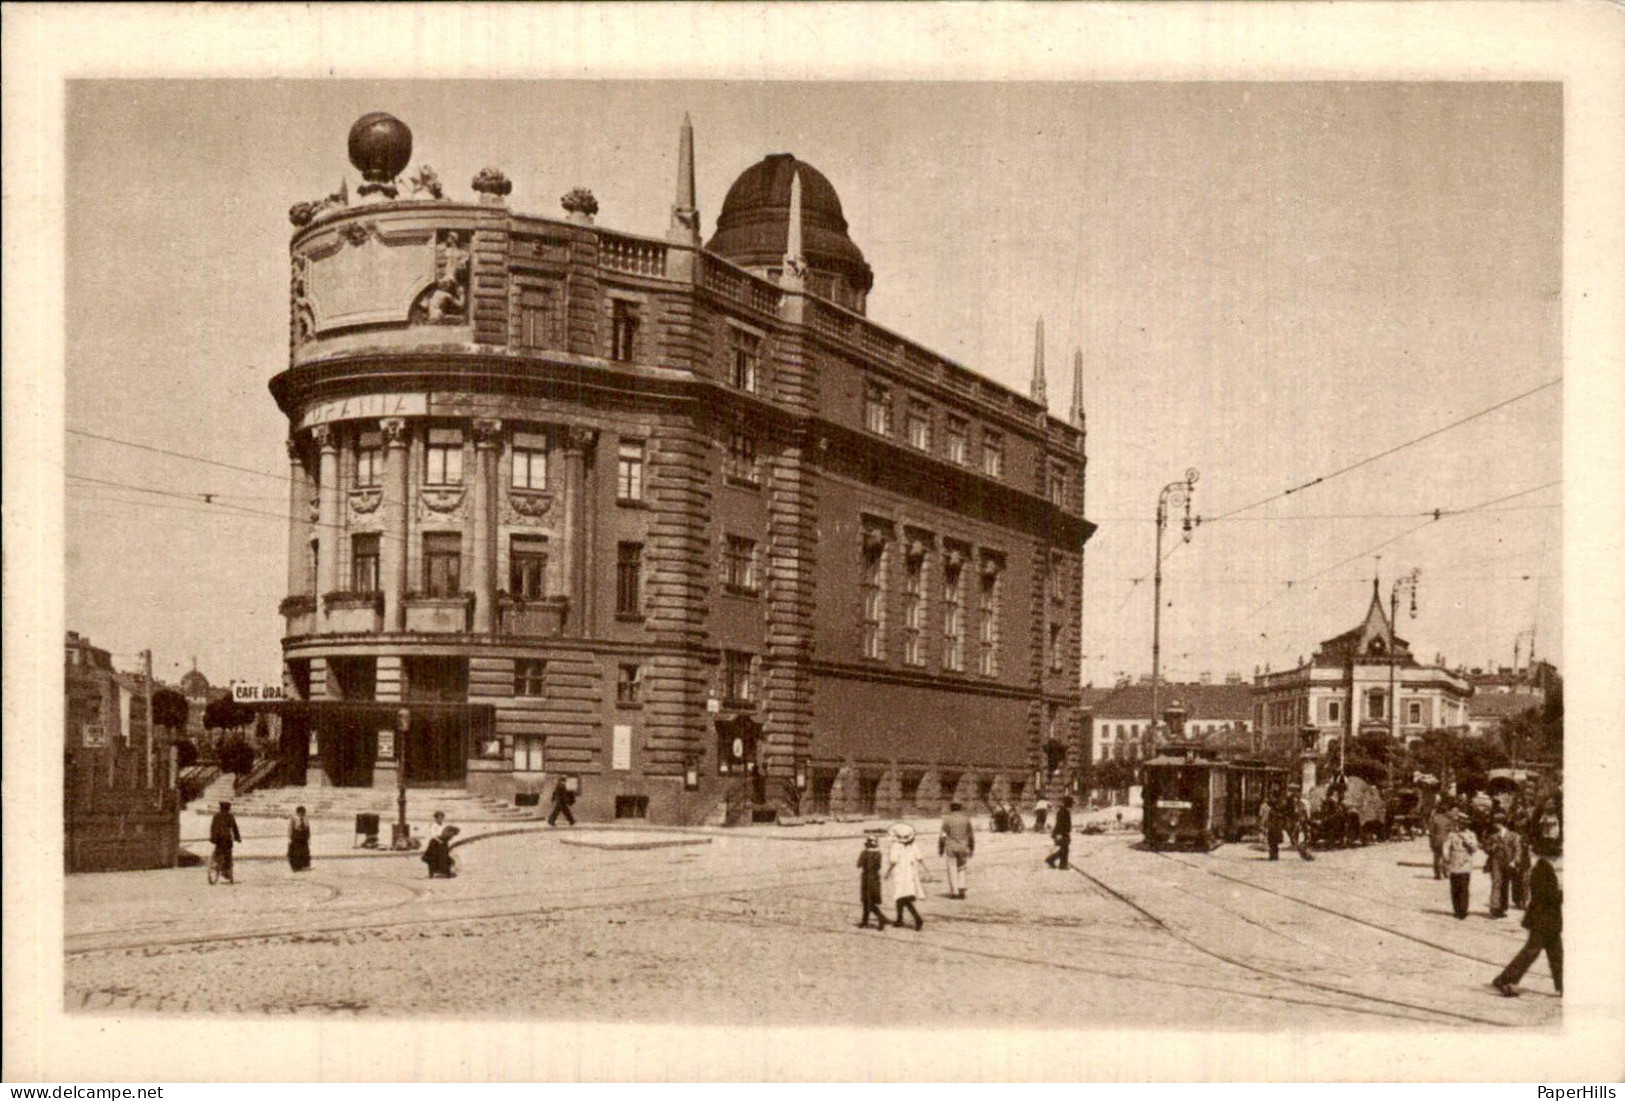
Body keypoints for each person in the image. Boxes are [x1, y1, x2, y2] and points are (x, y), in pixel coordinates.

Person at [1492, 838, 1562, 997]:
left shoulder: (1543, 868)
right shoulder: (1543, 869)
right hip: (1542, 920)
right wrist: (1563, 894)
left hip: (1548, 919)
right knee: (1532, 952)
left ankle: (1563, 985)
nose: (1558, 858)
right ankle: (1504, 980)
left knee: (1555, 954)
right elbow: (1548, 895)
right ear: (1548, 856)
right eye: (1555, 855)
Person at [885, 823, 926, 931]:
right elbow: (919, 857)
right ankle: (899, 919)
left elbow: (893, 861)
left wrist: (887, 873)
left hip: (900, 873)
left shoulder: (895, 846)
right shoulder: (912, 845)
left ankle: (917, 919)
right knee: (901, 897)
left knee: (902, 897)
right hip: (910, 873)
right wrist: (926, 869)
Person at [1442, 812, 1478, 919]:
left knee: (1464, 888)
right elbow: (1446, 846)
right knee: (1455, 888)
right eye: (1460, 823)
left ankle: (1463, 911)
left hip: (1465, 863)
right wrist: (1446, 858)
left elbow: (1475, 848)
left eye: (1464, 824)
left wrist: (1467, 842)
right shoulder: (1452, 834)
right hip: (1454, 863)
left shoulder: (1471, 835)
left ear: (1467, 825)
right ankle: (1457, 909)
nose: (1461, 826)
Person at [939, 801, 975, 900]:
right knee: (962, 868)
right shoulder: (966, 819)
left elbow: (943, 835)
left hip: (951, 848)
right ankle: (962, 889)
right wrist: (971, 848)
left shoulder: (947, 820)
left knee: (952, 869)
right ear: (960, 808)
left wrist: (941, 848)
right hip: (963, 847)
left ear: (951, 808)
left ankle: (954, 892)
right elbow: (970, 835)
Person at [1485, 814, 1514, 918]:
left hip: (1508, 863)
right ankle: (1494, 909)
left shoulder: (1512, 835)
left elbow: (1517, 849)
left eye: (1496, 823)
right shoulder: (1493, 836)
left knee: (1505, 885)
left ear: (1501, 823)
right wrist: (1492, 847)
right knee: (1496, 884)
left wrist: (1515, 861)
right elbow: (1487, 849)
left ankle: (1502, 908)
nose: (1494, 825)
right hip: (1495, 862)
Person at [856, 836, 887, 930]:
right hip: (875, 878)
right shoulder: (878, 853)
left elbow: (858, 865)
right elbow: (879, 866)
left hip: (866, 878)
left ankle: (881, 918)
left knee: (866, 901)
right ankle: (865, 921)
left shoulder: (864, 853)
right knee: (871, 900)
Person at [209, 800, 242, 884]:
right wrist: (238, 838)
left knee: (217, 851)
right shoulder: (230, 816)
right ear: (228, 808)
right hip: (227, 839)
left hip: (217, 839)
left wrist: (212, 837)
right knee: (228, 855)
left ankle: (216, 863)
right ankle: (226, 871)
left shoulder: (216, 816)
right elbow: (234, 828)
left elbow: (212, 827)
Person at [1427, 801, 1455, 880]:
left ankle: (1437, 874)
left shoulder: (1435, 819)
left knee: (1436, 858)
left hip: (1437, 840)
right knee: (1445, 857)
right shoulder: (1449, 820)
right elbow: (1452, 831)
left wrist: (1431, 842)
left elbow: (1431, 832)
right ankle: (1446, 872)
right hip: (1446, 840)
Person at [1046, 796, 1073, 870]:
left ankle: (1051, 860)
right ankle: (1062, 865)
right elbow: (1060, 824)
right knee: (1065, 849)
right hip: (1061, 833)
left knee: (1064, 849)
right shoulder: (1064, 812)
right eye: (1071, 803)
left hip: (1062, 833)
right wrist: (1059, 834)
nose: (1072, 805)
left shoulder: (1064, 810)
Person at [287, 806, 312, 872]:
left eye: (303, 812)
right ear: (298, 812)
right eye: (301, 812)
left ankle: (304, 865)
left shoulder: (306, 818)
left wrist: (308, 836)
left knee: (304, 851)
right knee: (296, 852)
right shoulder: (294, 818)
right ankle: (295, 866)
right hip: (296, 835)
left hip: (303, 836)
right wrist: (290, 837)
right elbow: (290, 828)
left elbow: (308, 828)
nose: (302, 814)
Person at [1262, 797, 1282, 862]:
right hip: (1277, 829)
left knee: (1271, 842)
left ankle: (1272, 856)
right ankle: (1276, 856)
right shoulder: (1278, 812)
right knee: (1275, 843)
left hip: (1272, 828)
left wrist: (1262, 825)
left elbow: (1265, 819)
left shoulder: (1270, 811)